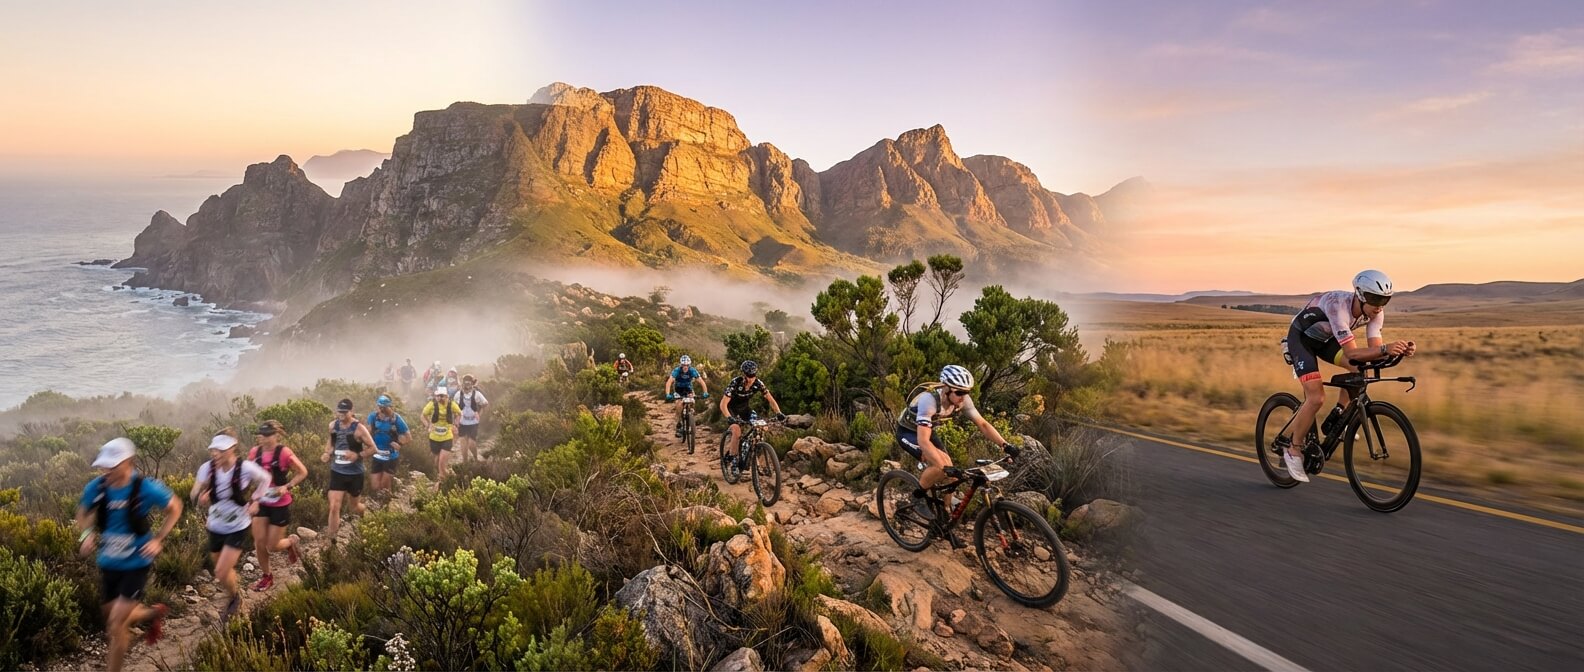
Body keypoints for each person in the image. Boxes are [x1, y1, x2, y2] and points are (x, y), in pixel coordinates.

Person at [1275, 270, 1416, 483]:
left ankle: (1339, 414)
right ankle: (1293, 450)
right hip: (1301, 339)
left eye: (1385, 300)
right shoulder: (1338, 306)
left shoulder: (1376, 313)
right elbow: (1352, 353)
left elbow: (1374, 351)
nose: (1379, 305)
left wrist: (1398, 351)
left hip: (1325, 340)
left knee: (1359, 369)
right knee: (1316, 398)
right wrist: (1387, 348)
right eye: (1375, 299)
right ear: (1359, 294)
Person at [75, 437, 181, 672]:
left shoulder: (146, 487)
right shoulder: (96, 488)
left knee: (115, 625)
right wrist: (87, 535)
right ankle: (152, 613)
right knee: (112, 616)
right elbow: (82, 514)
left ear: (129, 462)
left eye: (113, 465)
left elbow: (175, 507)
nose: (106, 470)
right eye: (104, 466)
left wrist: (157, 540)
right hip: (108, 562)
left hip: (136, 562)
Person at [895, 365, 1019, 522]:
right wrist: (941, 466)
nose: (963, 396)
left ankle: (946, 516)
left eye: (967, 392)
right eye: (959, 392)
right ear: (946, 388)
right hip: (909, 432)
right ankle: (918, 496)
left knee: (951, 473)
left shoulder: (963, 400)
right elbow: (923, 441)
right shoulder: (929, 400)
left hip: (927, 429)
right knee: (941, 467)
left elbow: (983, 424)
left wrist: (1005, 445)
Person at [192, 429, 271, 621]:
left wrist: (256, 501)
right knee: (221, 569)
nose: (215, 454)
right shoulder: (207, 468)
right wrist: (200, 495)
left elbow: (266, 479)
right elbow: (195, 491)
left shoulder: (245, 468)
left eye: (221, 449)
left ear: (233, 448)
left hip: (238, 524)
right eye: (213, 450)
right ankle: (235, 595)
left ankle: (234, 602)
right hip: (215, 525)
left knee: (221, 570)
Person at [248, 419, 304, 592]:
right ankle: (267, 576)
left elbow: (302, 472)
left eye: (267, 435)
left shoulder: (284, 453)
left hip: (280, 503)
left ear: (276, 435)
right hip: (261, 502)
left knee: (272, 545)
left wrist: (286, 487)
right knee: (258, 541)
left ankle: (290, 542)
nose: (263, 438)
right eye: (261, 435)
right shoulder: (254, 453)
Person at [718, 360, 785, 477]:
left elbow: (770, 399)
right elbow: (723, 404)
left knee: (762, 427)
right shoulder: (735, 383)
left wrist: (778, 412)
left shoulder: (758, 383)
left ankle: (752, 450)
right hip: (731, 409)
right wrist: (729, 417)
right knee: (737, 431)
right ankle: (734, 462)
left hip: (745, 409)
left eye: (753, 375)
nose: (751, 378)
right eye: (748, 376)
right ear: (743, 374)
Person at [322, 398, 375, 541]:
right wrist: (327, 453)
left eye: (345, 412)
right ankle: (331, 542)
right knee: (334, 506)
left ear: (351, 412)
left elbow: (373, 448)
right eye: (340, 412)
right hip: (337, 472)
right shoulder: (333, 426)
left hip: (355, 474)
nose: (342, 415)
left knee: (354, 507)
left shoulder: (359, 429)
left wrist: (357, 455)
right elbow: (331, 443)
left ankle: (365, 513)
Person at [367, 395, 410, 497]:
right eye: (380, 407)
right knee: (375, 486)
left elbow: (408, 436)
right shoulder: (372, 417)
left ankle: (387, 505)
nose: (382, 410)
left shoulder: (396, 419)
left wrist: (400, 444)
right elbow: (366, 433)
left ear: (390, 407)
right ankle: (382, 504)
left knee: (384, 485)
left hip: (391, 456)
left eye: (384, 407)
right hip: (377, 455)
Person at [422, 387, 463, 482]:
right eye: (438, 396)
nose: (440, 398)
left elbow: (459, 413)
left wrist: (456, 424)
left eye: (442, 396)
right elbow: (423, 415)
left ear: (447, 396)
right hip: (434, 437)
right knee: (436, 462)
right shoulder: (432, 404)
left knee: (441, 462)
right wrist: (428, 425)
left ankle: (445, 481)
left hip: (447, 436)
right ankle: (450, 477)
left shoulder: (451, 404)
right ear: (436, 396)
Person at [664, 355, 709, 437]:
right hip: (678, 389)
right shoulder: (676, 371)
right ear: (681, 365)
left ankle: (691, 413)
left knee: (692, 400)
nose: (685, 367)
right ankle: (679, 423)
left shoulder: (692, 371)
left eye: (687, 365)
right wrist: (668, 394)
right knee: (679, 404)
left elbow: (701, 381)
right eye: (684, 365)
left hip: (688, 389)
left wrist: (705, 392)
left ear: (689, 365)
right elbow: (669, 382)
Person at [454, 375, 489, 463]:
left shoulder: (477, 394)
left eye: (469, 383)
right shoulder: (458, 394)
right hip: (462, 421)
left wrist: (480, 415)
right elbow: (454, 407)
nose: (467, 386)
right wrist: (456, 419)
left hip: (473, 422)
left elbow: (485, 404)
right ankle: (465, 462)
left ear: (472, 384)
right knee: (463, 441)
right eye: (465, 383)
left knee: (471, 442)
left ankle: (475, 457)